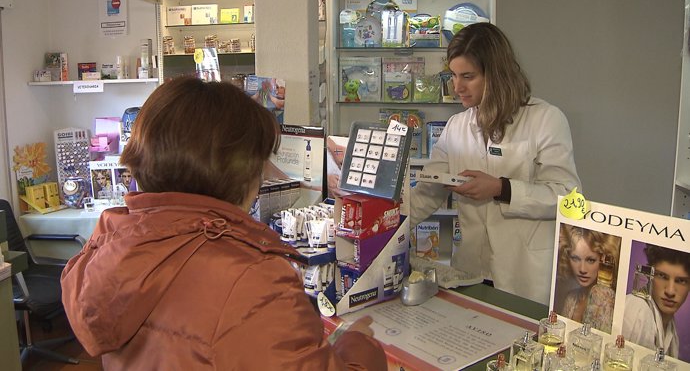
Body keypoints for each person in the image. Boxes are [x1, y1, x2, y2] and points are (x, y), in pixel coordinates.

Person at [60, 76, 386, 370]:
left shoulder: (109, 242)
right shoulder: (252, 279)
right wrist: (357, 346)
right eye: (259, 164)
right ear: (240, 173)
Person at [410, 22, 581, 304]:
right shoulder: (456, 126)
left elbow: (569, 198)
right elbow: (429, 191)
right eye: (452, 76)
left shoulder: (546, 119)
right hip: (471, 272)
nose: (457, 87)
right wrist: (385, 225)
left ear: (497, 75)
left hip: (524, 276)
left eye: (468, 76)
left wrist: (502, 189)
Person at [623, 244, 690, 359]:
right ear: (649, 275)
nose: (670, 291)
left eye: (680, 281)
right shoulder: (637, 308)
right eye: (662, 276)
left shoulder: (671, 328)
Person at [556, 224, 619, 333]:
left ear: (603, 260)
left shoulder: (605, 297)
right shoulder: (571, 298)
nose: (582, 269)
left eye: (590, 260)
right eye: (575, 258)